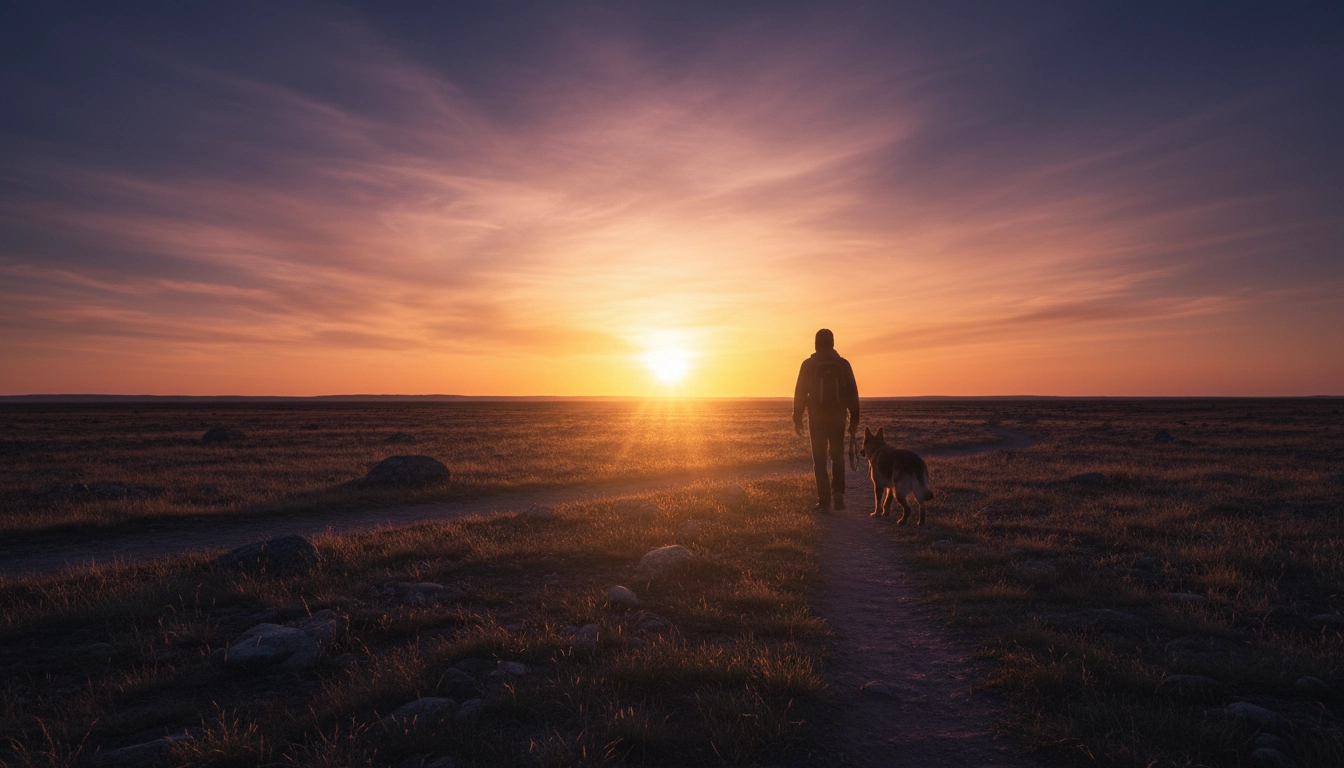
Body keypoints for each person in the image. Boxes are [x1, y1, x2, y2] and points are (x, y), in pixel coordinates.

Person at [793, 328, 860, 511]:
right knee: (837, 456)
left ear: (816, 343)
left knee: (820, 459)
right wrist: (854, 419)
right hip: (838, 417)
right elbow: (853, 393)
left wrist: (797, 417)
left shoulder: (808, 365)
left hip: (817, 417)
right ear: (833, 343)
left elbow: (800, 393)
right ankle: (838, 496)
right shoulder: (843, 364)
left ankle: (824, 501)